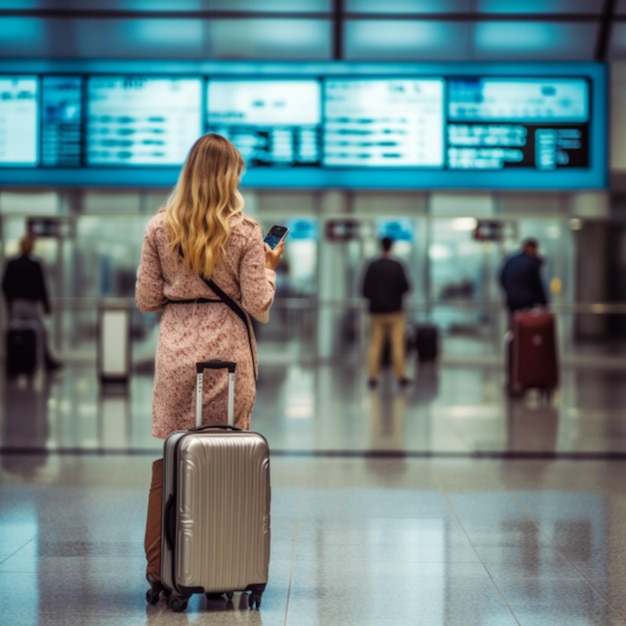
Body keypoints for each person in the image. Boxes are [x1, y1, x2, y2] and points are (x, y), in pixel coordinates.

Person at [135, 133, 284, 596]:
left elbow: (145, 299)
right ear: (229, 178)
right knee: (227, 456)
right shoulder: (245, 231)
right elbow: (259, 303)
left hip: (178, 352)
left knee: (174, 459)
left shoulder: (159, 227)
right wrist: (271, 264)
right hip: (229, 357)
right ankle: (223, 565)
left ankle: (163, 569)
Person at [2, 233, 62, 372]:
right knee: (40, 332)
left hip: (17, 304)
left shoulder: (12, 264)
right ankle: (45, 362)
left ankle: (15, 362)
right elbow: (42, 287)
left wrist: (10, 302)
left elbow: (5, 285)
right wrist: (46, 306)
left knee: (15, 334)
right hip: (31, 304)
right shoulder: (35, 264)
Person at [361, 236, 411, 389]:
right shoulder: (397, 265)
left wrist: (376, 299)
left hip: (376, 312)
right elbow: (406, 287)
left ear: (380, 246)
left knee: (375, 344)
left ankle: (372, 377)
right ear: (392, 247)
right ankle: (401, 376)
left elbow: (364, 290)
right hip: (395, 312)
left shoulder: (372, 266)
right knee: (397, 344)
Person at [499, 238, 548, 318]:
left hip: (512, 299)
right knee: (527, 323)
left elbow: (502, 278)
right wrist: (544, 303)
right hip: (527, 300)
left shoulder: (511, 261)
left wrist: (509, 292)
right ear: (531, 248)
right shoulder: (531, 263)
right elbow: (537, 284)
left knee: (515, 322)